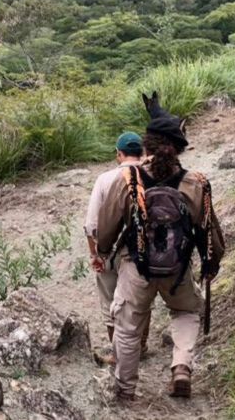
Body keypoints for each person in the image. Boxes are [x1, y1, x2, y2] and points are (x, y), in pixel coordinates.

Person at [108, 92, 225, 401]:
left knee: (129, 325)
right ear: (179, 148)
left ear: (147, 144)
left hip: (136, 266)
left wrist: (105, 253)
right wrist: (211, 265)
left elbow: (108, 226)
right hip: (178, 268)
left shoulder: (128, 179)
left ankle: (124, 389)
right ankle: (182, 367)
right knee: (186, 311)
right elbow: (210, 232)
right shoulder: (195, 182)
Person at [83, 131, 151, 365]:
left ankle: (118, 354)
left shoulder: (106, 179)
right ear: (141, 152)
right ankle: (140, 345)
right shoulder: (153, 173)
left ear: (119, 154)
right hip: (145, 247)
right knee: (141, 298)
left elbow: (92, 224)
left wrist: (95, 254)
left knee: (111, 300)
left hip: (112, 248)